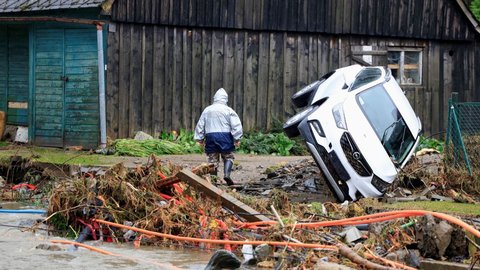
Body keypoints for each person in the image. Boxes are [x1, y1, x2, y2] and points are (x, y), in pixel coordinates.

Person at [194, 88, 243, 186]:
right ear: (226, 99)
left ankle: (213, 181)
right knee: (228, 156)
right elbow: (236, 125)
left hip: (210, 137)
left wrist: (199, 138)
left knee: (212, 159)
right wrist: (237, 138)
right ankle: (227, 175)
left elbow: (200, 124)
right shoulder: (229, 110)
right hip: (225, 136)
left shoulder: (207, 110)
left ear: (215, 98)